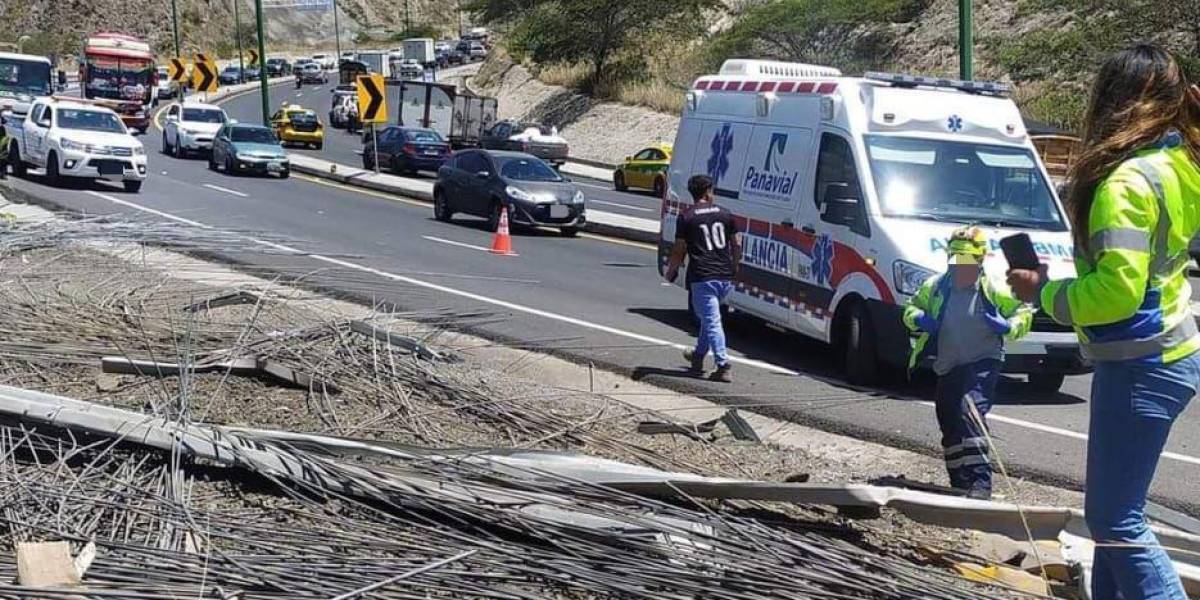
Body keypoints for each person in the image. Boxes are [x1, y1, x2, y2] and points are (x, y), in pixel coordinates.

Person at [1007, 44, 1200, 600]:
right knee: (1110, 519)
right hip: (1160, 355)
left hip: (1144, 363)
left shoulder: (1125, 184)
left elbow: (1116, 294)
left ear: (1110, 100)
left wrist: (1045, 293)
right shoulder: (1177, 165)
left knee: (1117, 521)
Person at [902, 226, 1032, 499]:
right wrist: (919, 319)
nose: (961, 267)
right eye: (956, 260)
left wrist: (1007, 326)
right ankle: (960, 482)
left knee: (969, 412)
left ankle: (980, 485)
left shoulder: (994, 288)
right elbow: (911, 308)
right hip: (948, 364)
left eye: (967, 261)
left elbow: (1023, 312)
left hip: (983, 360)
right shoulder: (936, 287)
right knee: (948, 418)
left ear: (981, 259)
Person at [664, 174, 741, 383]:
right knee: (710, 318)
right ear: (707, 191)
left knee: (712, 320)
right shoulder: (725, 214)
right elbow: (736, 244)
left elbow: (679, 249)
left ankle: (723, 364)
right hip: (724, 276)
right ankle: (698, 356)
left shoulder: (687, 216)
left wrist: (672, 270)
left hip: (702, 276)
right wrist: (734, 266)